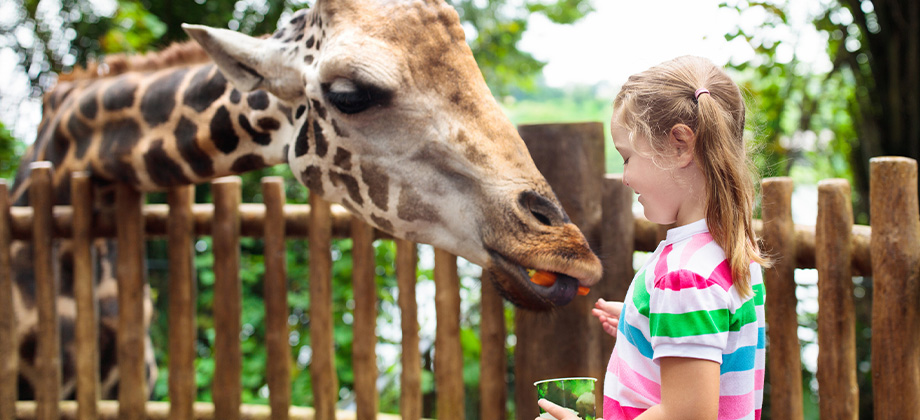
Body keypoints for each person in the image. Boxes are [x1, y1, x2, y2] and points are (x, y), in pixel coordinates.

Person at [537, 55, 769, 420]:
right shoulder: (728, 252)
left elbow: (687, 414)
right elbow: (718, 345)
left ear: (680, 145)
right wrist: (641, 325)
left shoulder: (684, 276)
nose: (625, 177)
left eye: (627, 158)